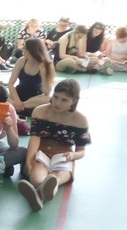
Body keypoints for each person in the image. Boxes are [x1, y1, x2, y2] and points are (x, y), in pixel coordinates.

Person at [17, 79, 91, 211]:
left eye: (64, 100)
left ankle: (38, 196)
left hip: (64, 156)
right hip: (41, 152)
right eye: (55, 97)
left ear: (74, 101)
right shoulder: (40, 111)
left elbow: (81, 151)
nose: (57, 102)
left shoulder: (81, 120)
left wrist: (73, 155)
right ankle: (42, 193)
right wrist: (29, 162)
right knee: (37, 176)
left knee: (54, 179)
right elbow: (34, 140)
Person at [7, 38, 55, 116]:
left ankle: (19, 107)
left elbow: (47, 92)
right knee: (4, 95)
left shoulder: (46, 65)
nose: (22, 49)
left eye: (24, 47)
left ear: (31, 51)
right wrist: (16, 100)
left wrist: (43, 73)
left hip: (35, 98)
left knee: (49, 99)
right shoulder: (21, 61)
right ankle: (20, 107)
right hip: (19, 93)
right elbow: (10, 84)